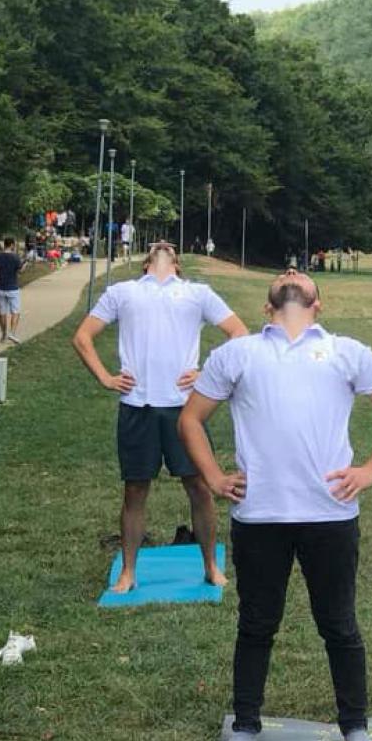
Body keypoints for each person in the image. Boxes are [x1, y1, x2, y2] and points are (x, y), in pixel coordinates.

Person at [179, 270, 372, 741]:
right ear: (268, 308)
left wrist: (370, 471)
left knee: (340, 624)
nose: (290, 275)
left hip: (329, 514)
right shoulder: (238, 352)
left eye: (298, 275)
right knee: (255, 624)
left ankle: (354, 726)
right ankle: (246, 726)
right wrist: (216, 479)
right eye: (282, 276)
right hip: (259, 515)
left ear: (318, 303)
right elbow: (190, 419)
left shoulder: (346, 351)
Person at [72, 241, 247, 593]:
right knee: (135, 489)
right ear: (147, 260)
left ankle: (211, 567)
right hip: (137, 405)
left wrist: (207, 372)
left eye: (169, 246)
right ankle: (129, 572)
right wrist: (105, 377)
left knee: (198, 486)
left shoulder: (198, 293)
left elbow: (240, 334)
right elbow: (82, 337)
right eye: (157, 245)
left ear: (177, 263)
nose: (163, 246)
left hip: (185, 408)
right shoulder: (122, 292)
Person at [0, 237, 26, 344]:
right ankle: (12, 333)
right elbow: (20, 271)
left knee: (2, 312)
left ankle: (3, 335)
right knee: (15, 312)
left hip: (1, 287)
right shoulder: (15, 258)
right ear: (11, 245)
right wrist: (25, 265)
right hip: (13, 287)